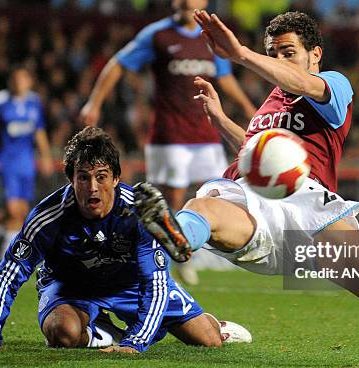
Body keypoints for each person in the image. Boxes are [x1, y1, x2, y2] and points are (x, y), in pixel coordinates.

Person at [132, 10, 359, 368]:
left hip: (312, 210)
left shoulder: (335, 85)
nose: (280, 60)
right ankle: (175, 237)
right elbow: (254, 154)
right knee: (205, 204)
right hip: (251, 200)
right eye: (274, 53)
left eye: (288, 52)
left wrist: (242, 55)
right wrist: (219, 119)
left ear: (315, 54)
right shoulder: (270, 103)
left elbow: (305, 85)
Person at [0, 127, 251, 353]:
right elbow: (10, 272)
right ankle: (102, 332)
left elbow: (154, 283)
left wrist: (135, 343)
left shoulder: (140, 213)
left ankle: (216, 325)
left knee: (208, 339)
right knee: (63, 333)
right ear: (70, 179)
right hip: (72, 287)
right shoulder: (48, 216)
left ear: (116, 178)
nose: (93, 187)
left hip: (131, 282)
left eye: (101, 177)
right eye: (83, 178)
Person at [80, 0, 257, 285]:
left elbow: (224, 79)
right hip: (169, 136)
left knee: (218, 193)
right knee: (171, 199)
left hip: (207, 133)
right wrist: (94, 101)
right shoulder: (157, 35)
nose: (187, 1)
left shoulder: (209, 37)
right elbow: (118, 64)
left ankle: (198, 248)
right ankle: (170, 259)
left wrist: (249, 110)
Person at [0, 65, 54, 257]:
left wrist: (45, 157)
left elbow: (39, 132)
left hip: (26, 164)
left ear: (29, 81)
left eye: (22, 79)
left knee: (21, 211)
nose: (18, 83)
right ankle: (8, 254)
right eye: (15, 79)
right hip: (7, 163)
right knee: (12, 210)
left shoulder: (34, 102)